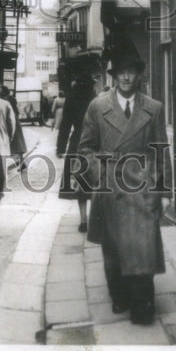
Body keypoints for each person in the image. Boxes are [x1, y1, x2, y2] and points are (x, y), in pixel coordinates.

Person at [78, 50, 172, 326]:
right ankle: (118, 293)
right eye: (121, 72)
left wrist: (164, 191)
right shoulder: (98, 106)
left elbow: (161, 150)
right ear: (114, 76)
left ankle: (144, 305)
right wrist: (103, 172)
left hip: (142, 188)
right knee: (114, 250)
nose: (126, 77)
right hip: (111, 188)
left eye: (131, 71)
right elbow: (85, 149)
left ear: (139, 75)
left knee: (142, 250)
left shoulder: (153, 108)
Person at [57, 72, 97, 232]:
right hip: (95, 142)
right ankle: (95, 218)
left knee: (80, 181)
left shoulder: (71, 99)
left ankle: (83, 220)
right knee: (96, 181)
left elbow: (65, 126)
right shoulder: (97, 100)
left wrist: (60, 148)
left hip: (77, 143)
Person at [0, 86, 27, 170]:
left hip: (10, 122)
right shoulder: (11, 99)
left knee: (13, 145)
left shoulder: (5, 100)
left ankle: (20, 163)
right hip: (15, 121)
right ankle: (22, 163)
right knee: (17, 145)